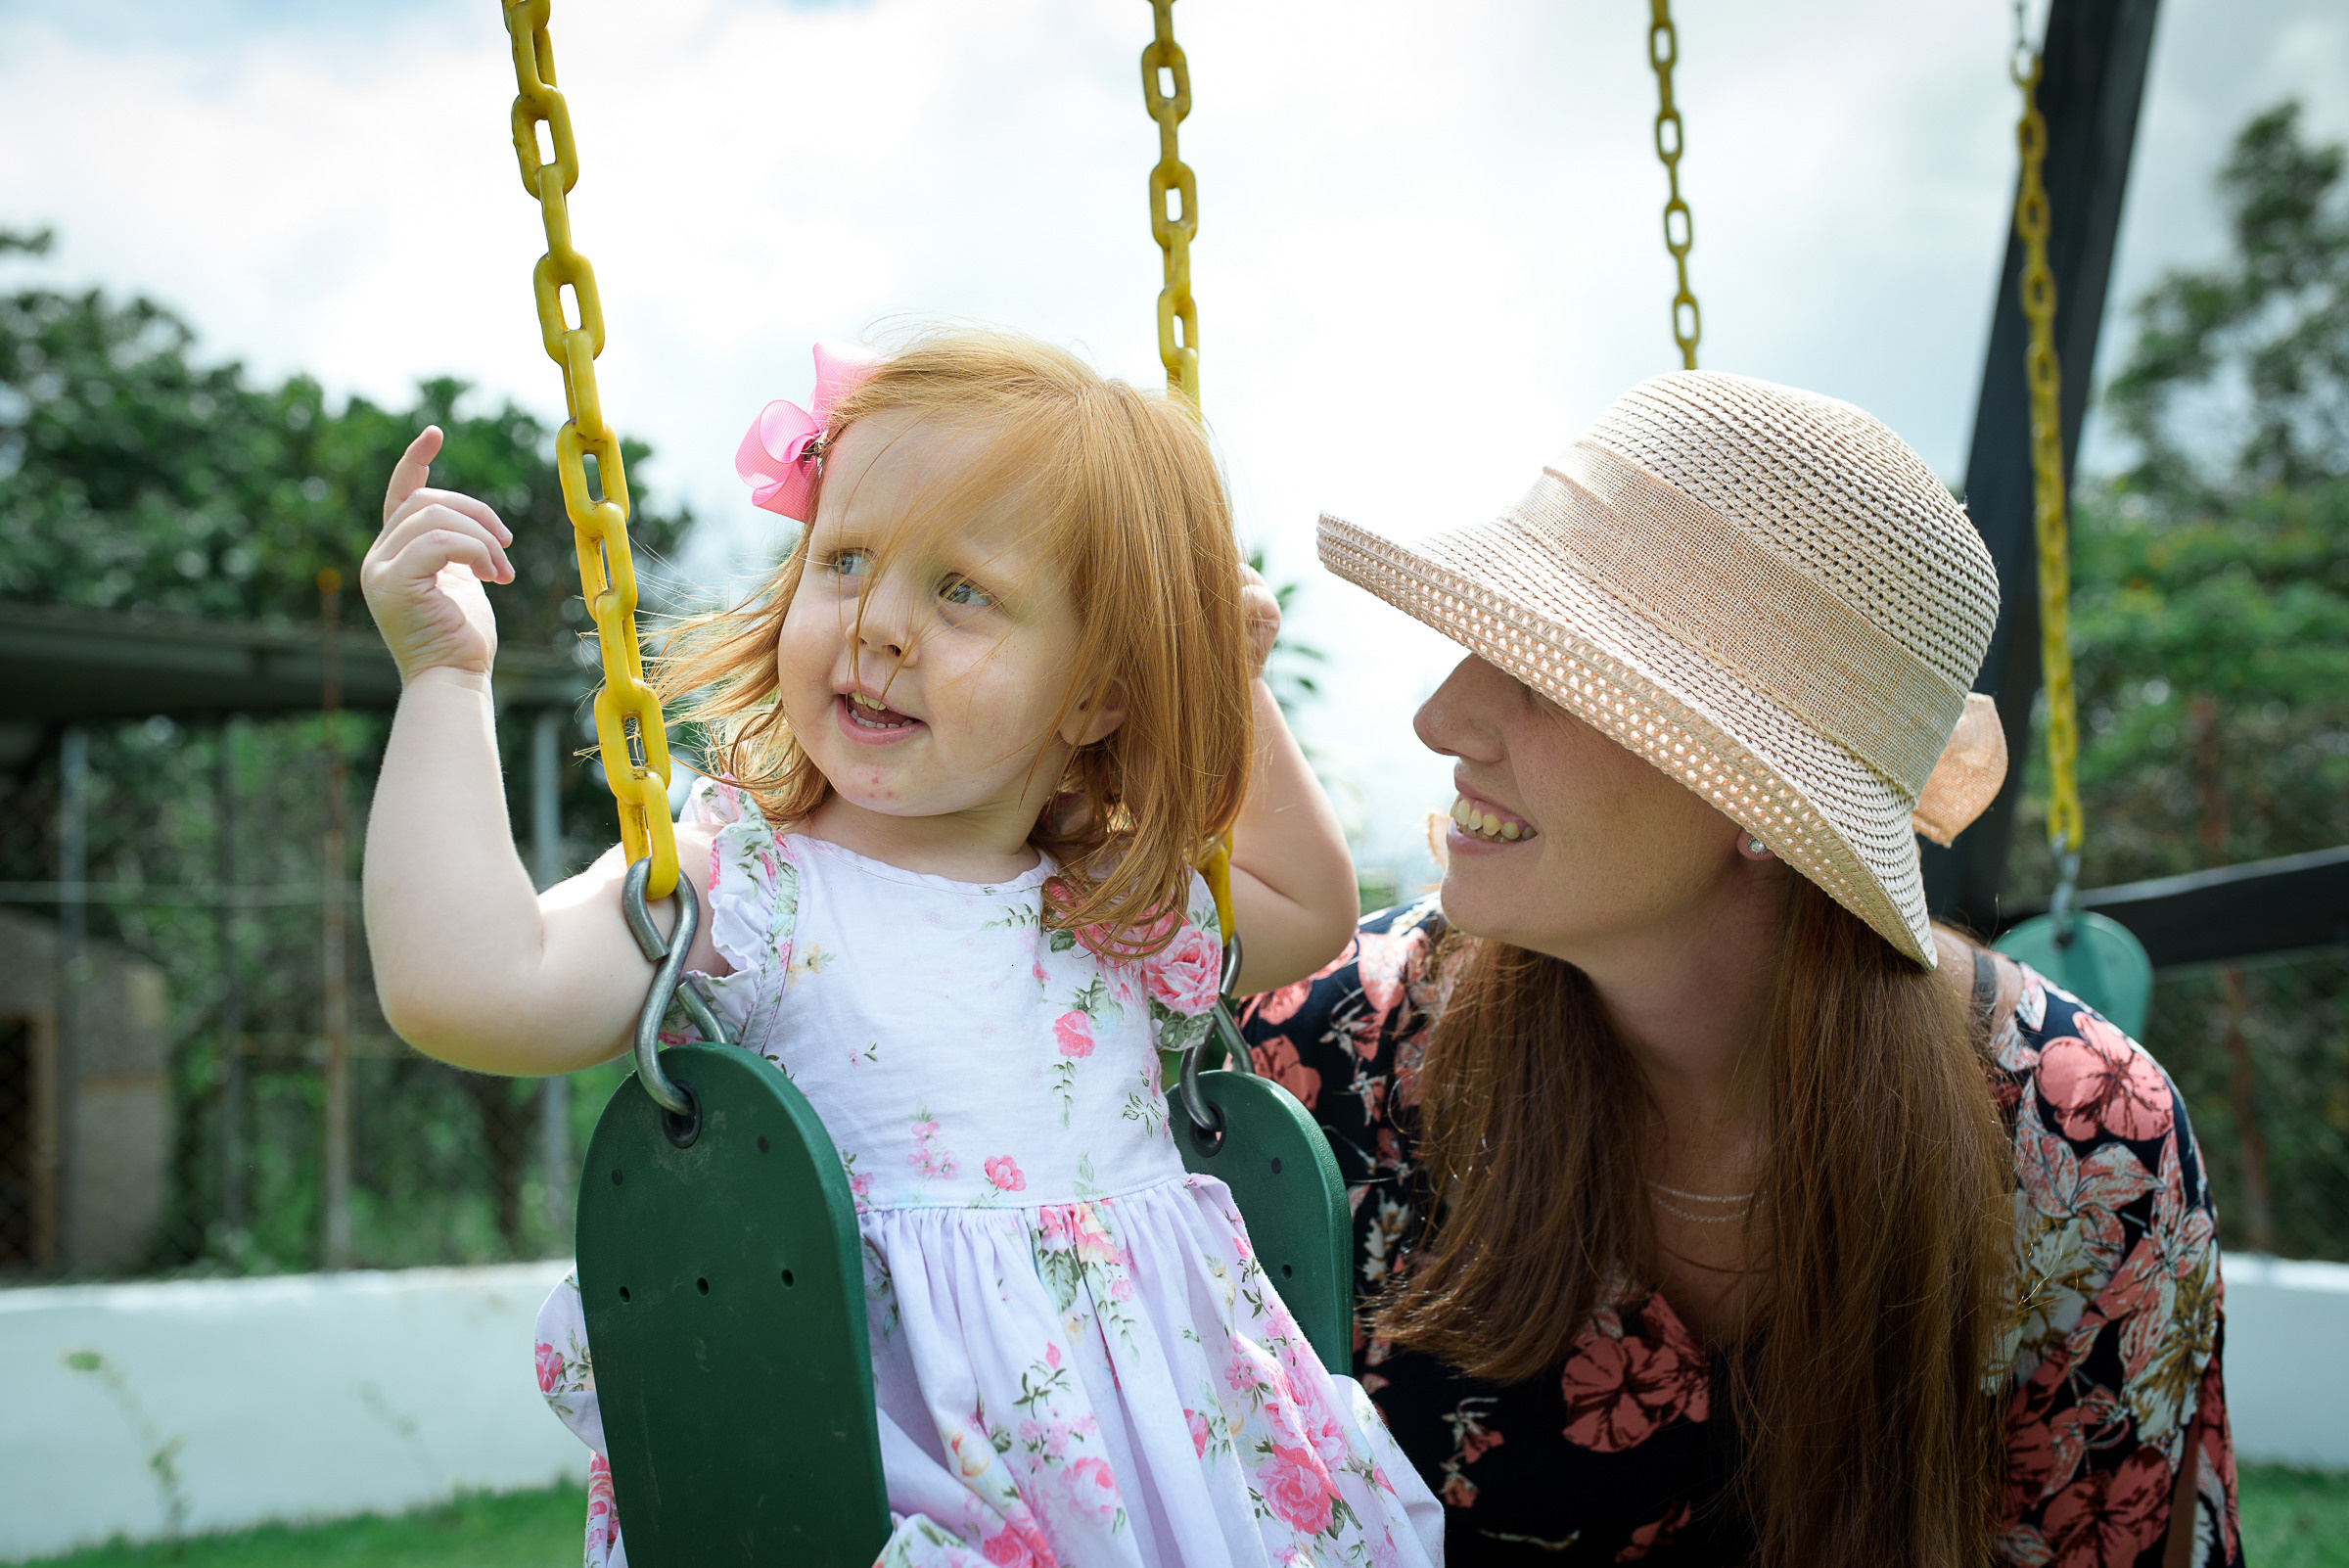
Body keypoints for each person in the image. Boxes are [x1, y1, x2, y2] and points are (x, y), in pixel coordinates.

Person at [359, 330, 1445, 1568]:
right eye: (848, 561)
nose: (877, 624)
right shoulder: (751, 885)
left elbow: (1304, 906)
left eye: (962, 590)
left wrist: (1229, 677)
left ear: (1095, 692)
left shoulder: (1106, 902)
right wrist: (444, 683)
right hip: (892, 1492)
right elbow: (473, 988)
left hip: (1163, 1465)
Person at [1240, 370, 2240, 1567]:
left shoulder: (2082, 1147)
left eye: (1544, 673)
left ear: (1763, 801)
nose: (1441, 718)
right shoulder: (1338, 1048)